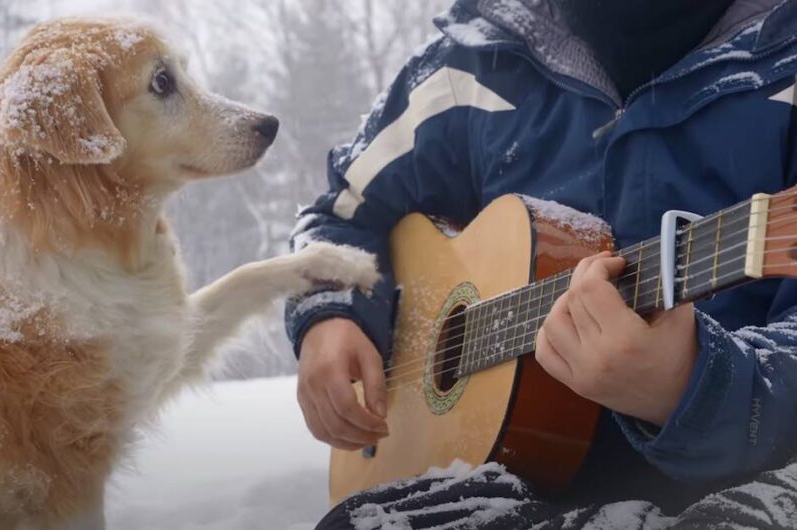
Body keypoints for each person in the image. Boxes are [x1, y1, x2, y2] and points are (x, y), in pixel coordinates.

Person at [285, 0, 797, 527]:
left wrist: (695, 386)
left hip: (742, 485)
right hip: (517, 485)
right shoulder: (476, 60)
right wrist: (330, 313)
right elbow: (343, 210)